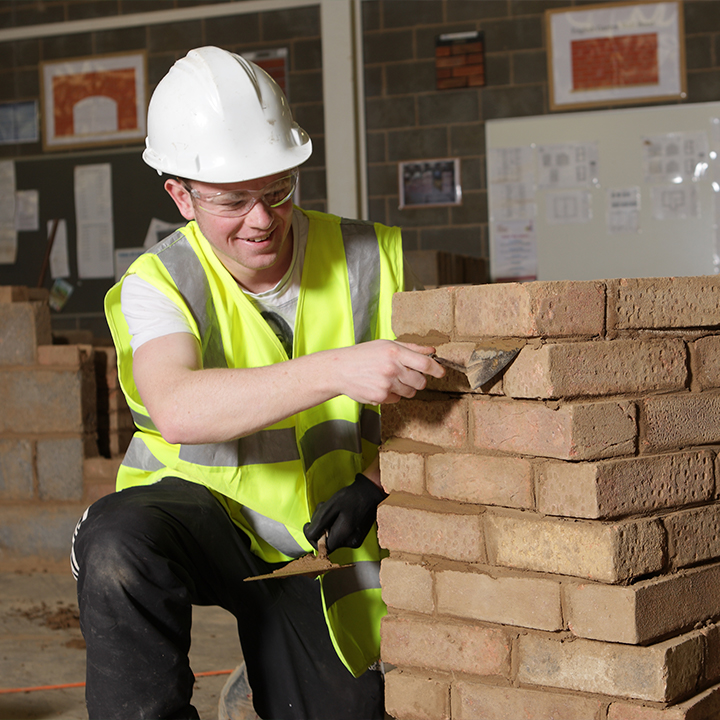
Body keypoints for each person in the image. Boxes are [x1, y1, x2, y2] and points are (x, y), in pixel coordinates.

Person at [70, 46, 444, 720]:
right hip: (199, 520)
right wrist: (338, 368)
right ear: (181, 196)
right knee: (116, 547)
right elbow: (177, 408)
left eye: (277, 189)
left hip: (322, 538)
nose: (263, 218)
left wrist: (379, 481)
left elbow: (444, 416)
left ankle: (260, 677)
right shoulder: (157, 284)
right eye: (232, 201)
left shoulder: (372, 257)